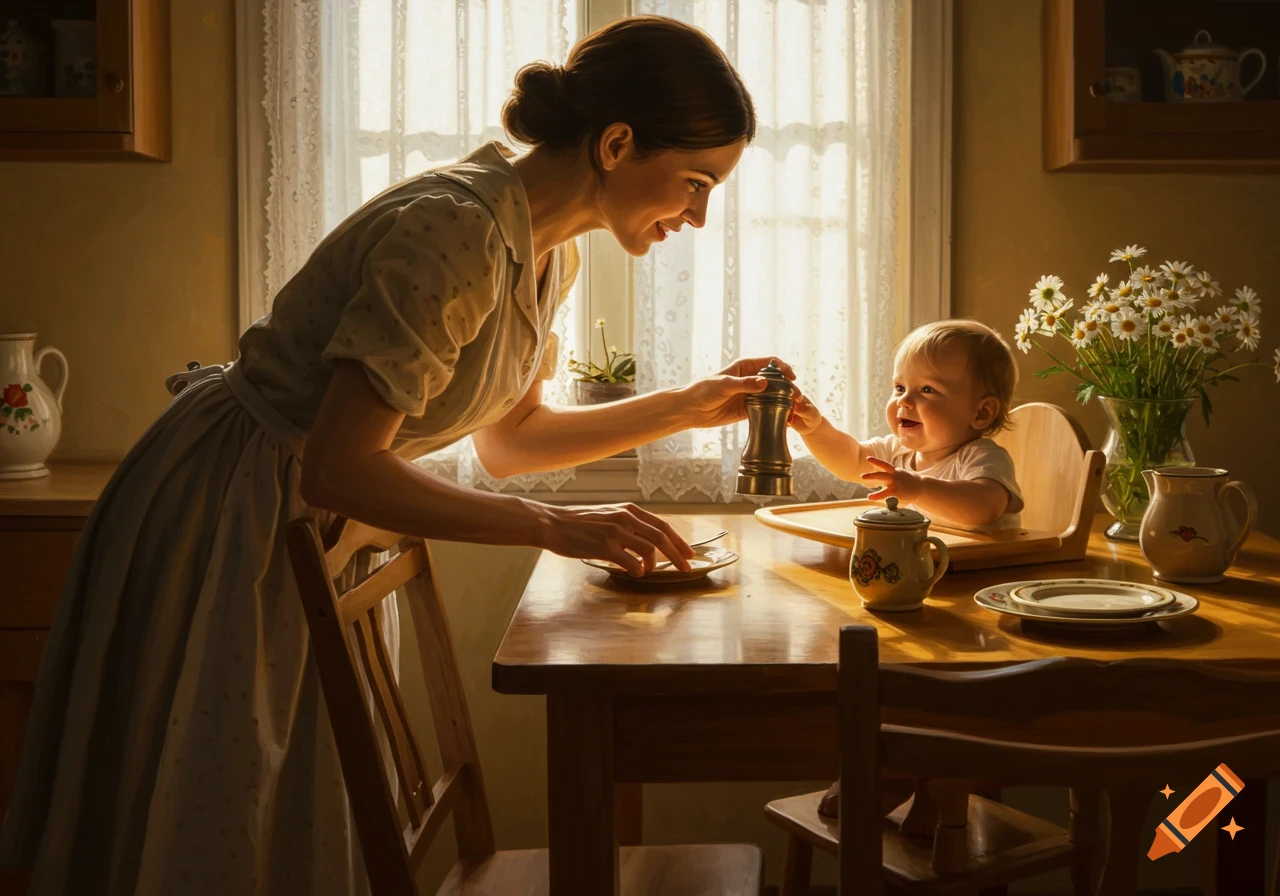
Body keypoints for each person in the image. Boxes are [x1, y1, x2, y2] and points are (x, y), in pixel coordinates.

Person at [0, 16, 788, 895]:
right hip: (232, 500)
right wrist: (555, 526)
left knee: (273, 810)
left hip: (300, 510)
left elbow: (510, 442)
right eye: (696, 183)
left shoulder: (545, 252)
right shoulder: (458, 231)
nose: (699, 215)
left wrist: (689, 404)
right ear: (616, 144)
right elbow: (338, 467)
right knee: (213, 804)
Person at [788, 318, 1023, 834]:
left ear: (981, 412)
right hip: (913, 603)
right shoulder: (899, 455)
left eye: (927, 391)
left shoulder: (982, 457)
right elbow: (852, 459)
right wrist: (814, 428)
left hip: (969, 611)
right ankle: (893, 772)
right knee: (881, 681)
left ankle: (924, 785)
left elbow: (984, 506)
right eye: (899, 387)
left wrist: (916, 488)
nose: (904, 402)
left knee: (939, 701)